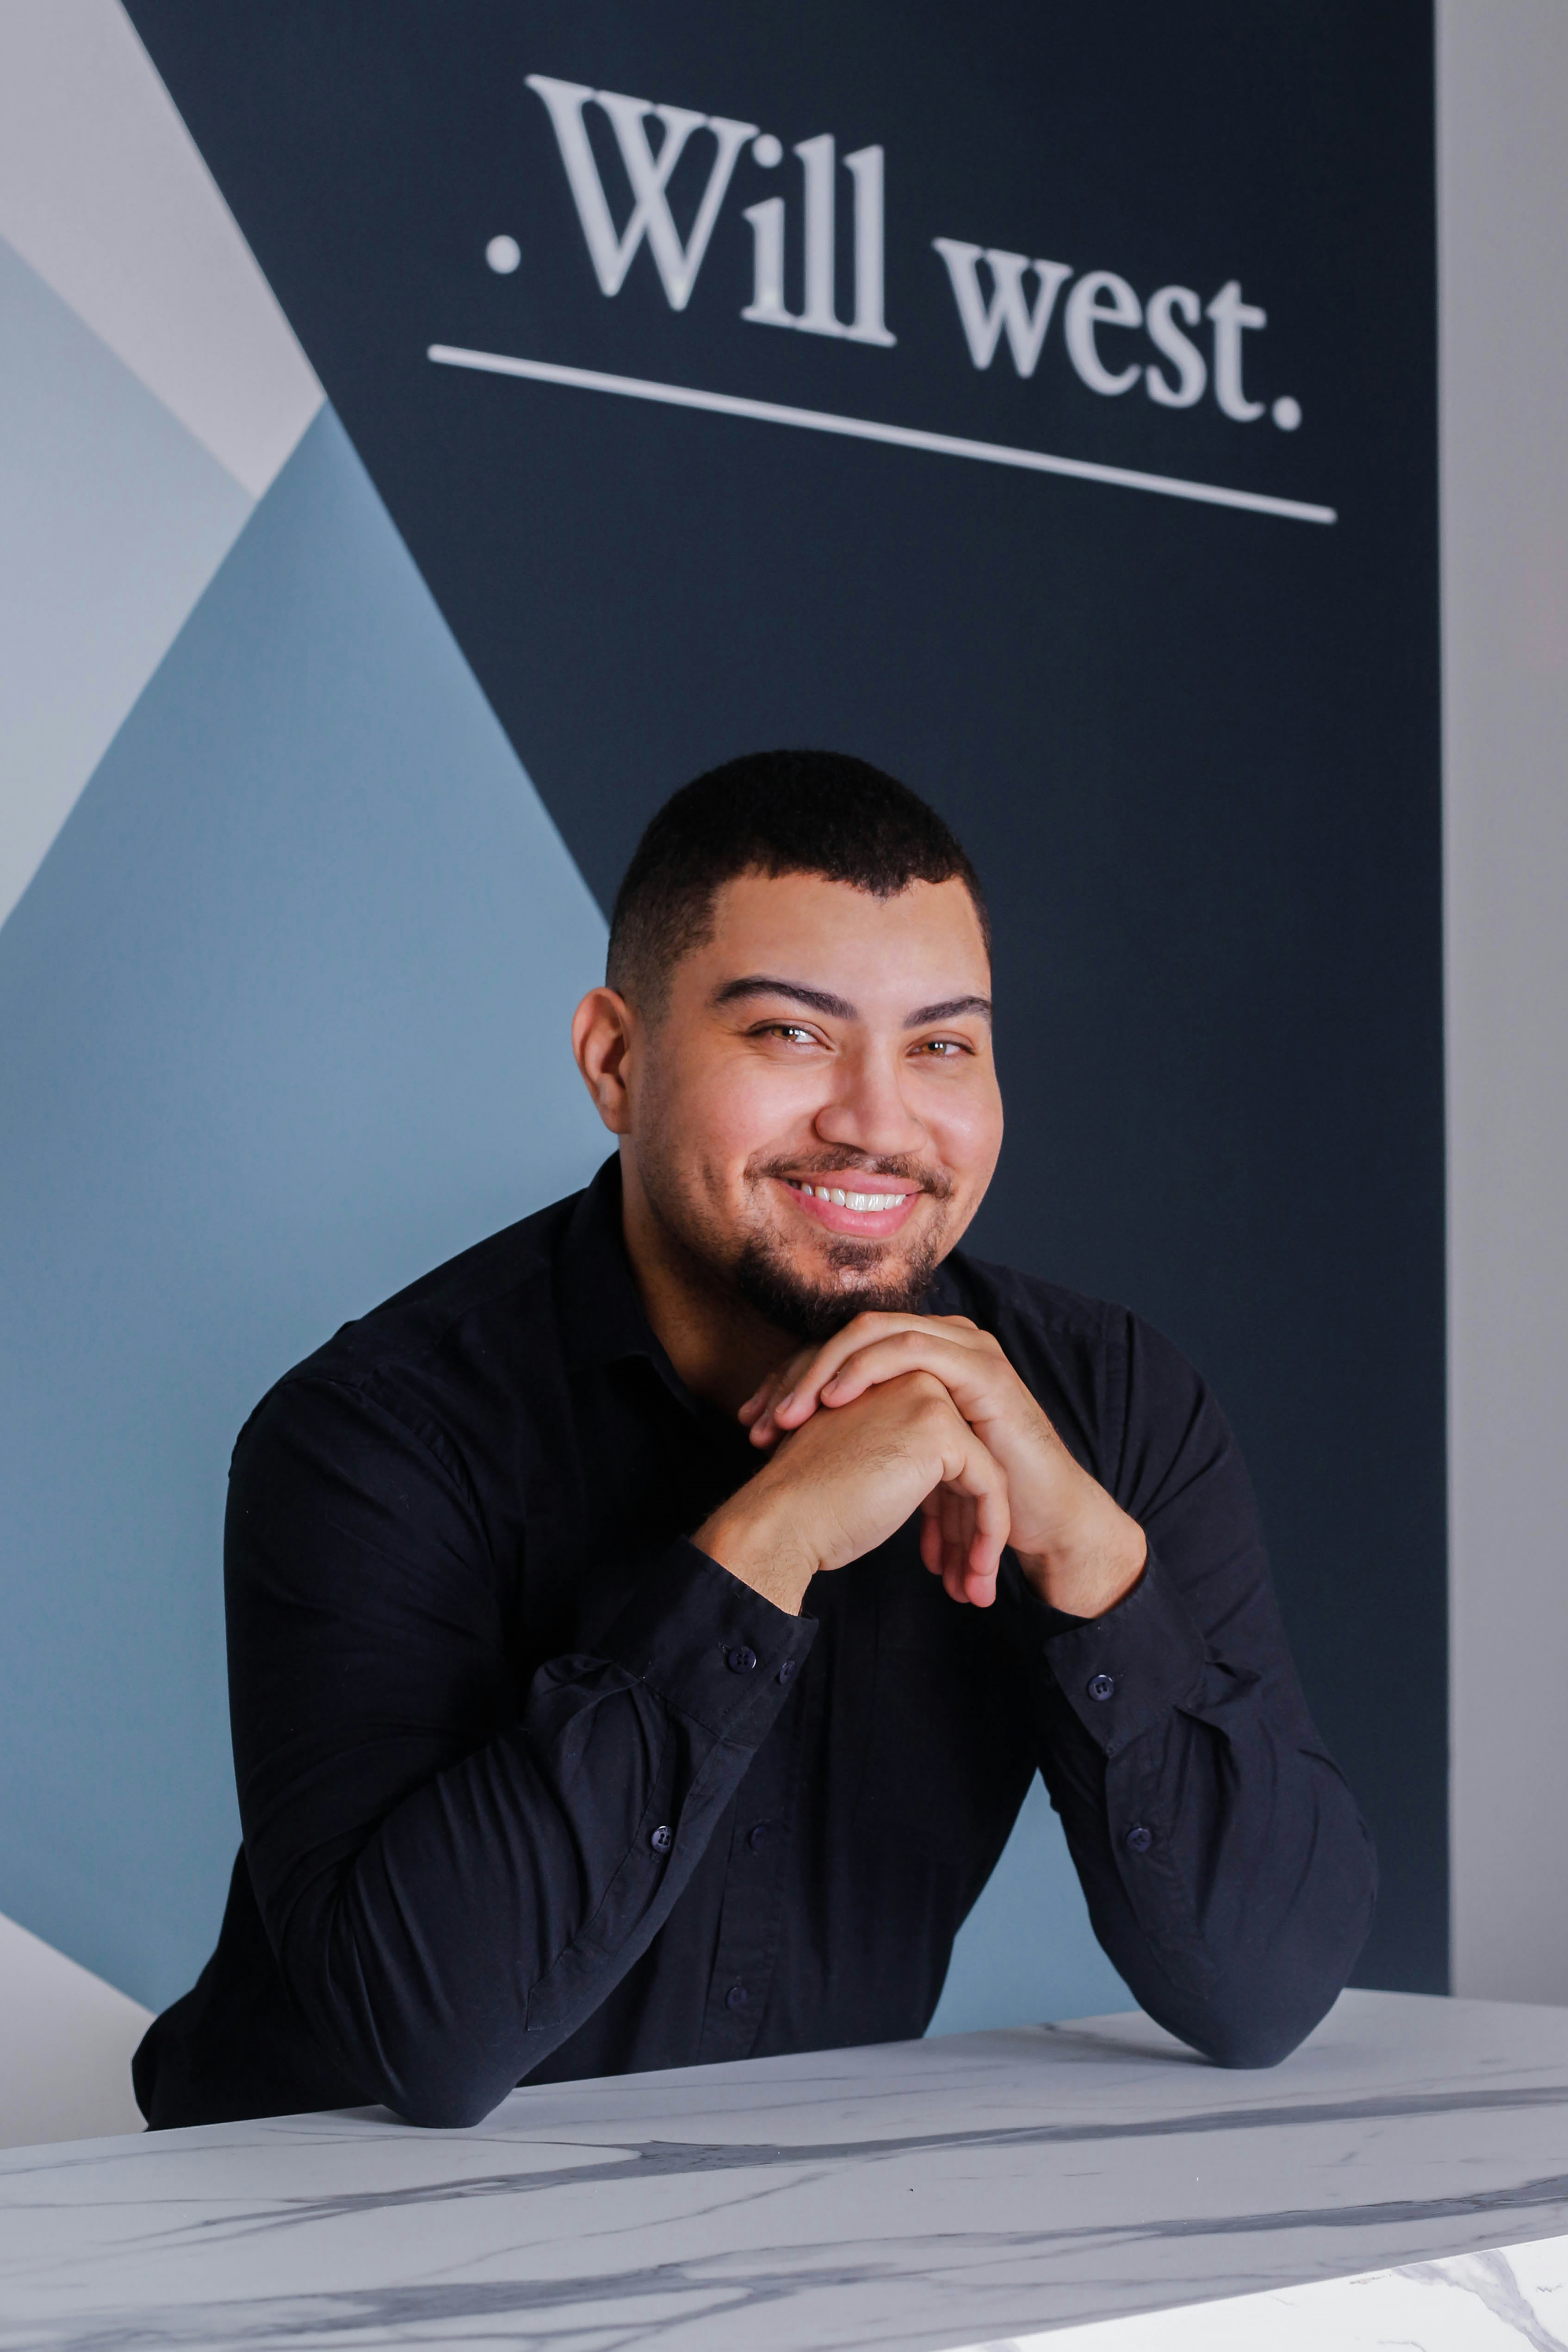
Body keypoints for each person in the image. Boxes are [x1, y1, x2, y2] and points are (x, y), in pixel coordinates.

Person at [133, 750, 1376, 2130]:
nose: (877, 1120)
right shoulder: (376, 1435)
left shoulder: (1103, 1405)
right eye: (792, 1033)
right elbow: (425, 2039)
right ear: (617, 1059)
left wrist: (1089, 1556)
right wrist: (770, 1535)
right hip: (310, 2241)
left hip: (782, 2246)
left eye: (942, 1044)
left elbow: (1266, 1989)